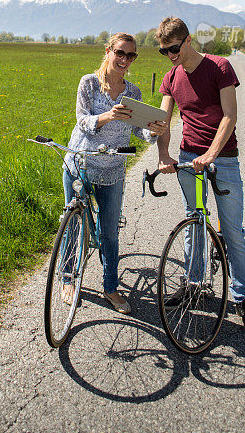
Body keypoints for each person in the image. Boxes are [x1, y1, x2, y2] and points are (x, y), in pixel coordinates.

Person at [155, 17, 245, 337]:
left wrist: (212, 155)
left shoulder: (220, 67)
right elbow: (164, 120)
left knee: (231, 231)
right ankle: (193, 284)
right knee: (194, 221)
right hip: (190, 160)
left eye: (174, 48)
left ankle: (243, 298)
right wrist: (164, 155)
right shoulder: (171, 77)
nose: (171, 55)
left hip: (223, 160)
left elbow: (229, 116)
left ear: (188, 41)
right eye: (164, 51)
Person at [63, 32, 167, 314]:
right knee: (72, 223)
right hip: (81, 162)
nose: (124, 59)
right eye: (120, 53)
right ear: (108, 52)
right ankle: (68, 278)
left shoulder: (133, 93)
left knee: (109, 233)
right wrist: (107, 116)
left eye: (130, 55)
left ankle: (110, 287)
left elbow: (139, 131)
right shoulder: (89, 84)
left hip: (112, 169)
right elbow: (82, 120)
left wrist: (153, 132)